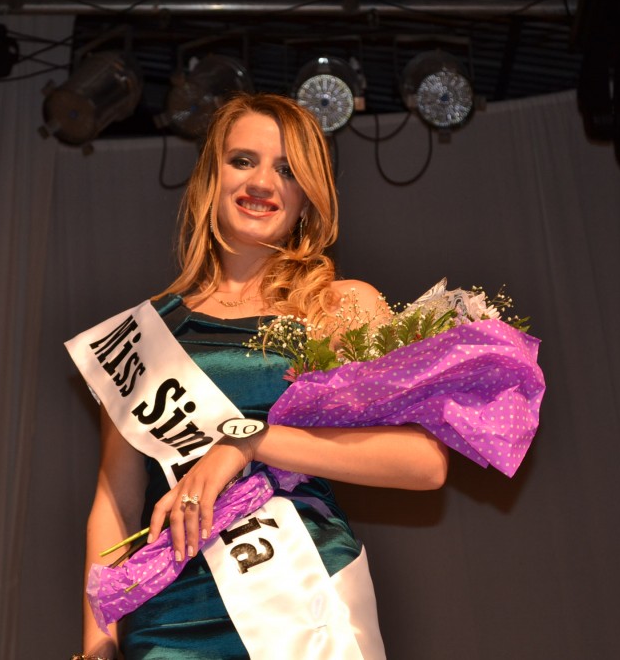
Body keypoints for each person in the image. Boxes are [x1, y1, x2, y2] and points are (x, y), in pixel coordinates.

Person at [77, 93, 449, 660]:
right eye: (243, 160)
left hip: (298, 603)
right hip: (167, 616)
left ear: (308, 198)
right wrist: (96, 647)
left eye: (287, 169)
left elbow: (423, 464)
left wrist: (252, 442)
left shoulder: (338, 306)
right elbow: (116, 503)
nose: (262, 183)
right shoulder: (142, 333)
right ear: (211, 176)